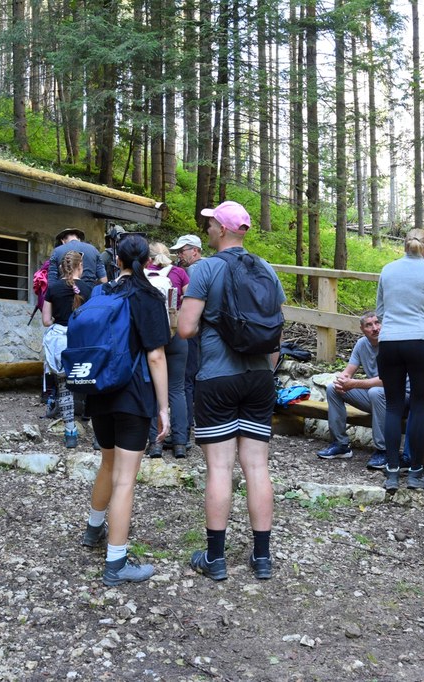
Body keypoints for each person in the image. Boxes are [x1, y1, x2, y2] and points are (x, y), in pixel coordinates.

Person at [178, 201, 284, 581]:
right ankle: (262, 558)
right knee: (257, 466)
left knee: (220, 467)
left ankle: (216, 559)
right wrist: (265, 372)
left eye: (210, 224)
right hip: (258, 378)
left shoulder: (205, 268)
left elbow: (186, 329)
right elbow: (275, 334)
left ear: (223, 230)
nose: (206, 230)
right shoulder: (268, 270)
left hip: (217, 379)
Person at [81, 235, 171, 586]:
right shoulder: (149, 296)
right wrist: (163, 408)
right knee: (125, 479)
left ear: (116, 258)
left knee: (107, 463)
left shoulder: (100, 294)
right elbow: (156, 355)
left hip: (99, 390)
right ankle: (116, 563)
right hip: (132, 396)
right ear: (147, 259)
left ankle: (93, 530)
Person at [375, 227, 424, 492]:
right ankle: (416, 475)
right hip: (419, 342)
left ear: (404, 245)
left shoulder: (388, 269)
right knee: (419, 407)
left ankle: (392, 473)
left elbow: (380, 311)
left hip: (389, 342)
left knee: (394, 406)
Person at [316, 311, 390, 470]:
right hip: (375, 398)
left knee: (375, 392)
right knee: (332, 389)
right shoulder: (362, 344)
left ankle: (383, 451)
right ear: (362, 329)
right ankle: (340, 444)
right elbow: (348, 372)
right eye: (369, 325)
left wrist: (354, 383)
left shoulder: (391, 344)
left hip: (395, 398)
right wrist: (342, 381)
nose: (375, 328)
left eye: (377, 323)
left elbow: (387, 381)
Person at [42, 251, 93, 448]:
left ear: (63, 267)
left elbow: (46, 321)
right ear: (81, 267)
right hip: (82, 341)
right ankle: (97, 436)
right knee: (92, 384)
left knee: (64, 387)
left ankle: (70, 432)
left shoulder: (53, 288)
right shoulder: (90, 289)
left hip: (60, 343)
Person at [145, 241, 191, 459]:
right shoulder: (180, 273)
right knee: (177, 389)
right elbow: (190, 299)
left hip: (153, 337)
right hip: (177, 334)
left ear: (149, 258)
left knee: (155, 389)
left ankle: (155, 442)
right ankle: (180, 442)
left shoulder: (144, 274)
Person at [171, 234, 205, 445]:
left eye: (181, 251)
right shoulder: (211, 267)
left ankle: (186, 426)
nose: (178, 256)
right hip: (207, 331)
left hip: (192, 330)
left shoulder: (191, 272)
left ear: (194, 250)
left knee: (187, 378)